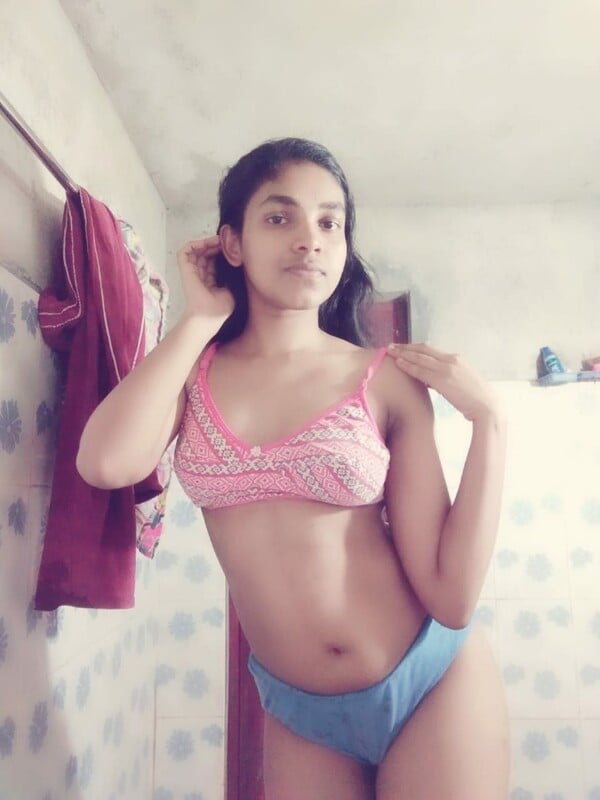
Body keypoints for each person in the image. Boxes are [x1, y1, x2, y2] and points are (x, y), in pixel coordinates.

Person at [77, 138, 510, 799]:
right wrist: (200, 319)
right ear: (232, 242)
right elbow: (106, 462)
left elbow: (451, 598)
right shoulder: (193, 376)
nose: (310, 239)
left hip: (430, 682)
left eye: (330, 222)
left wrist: (491, 424)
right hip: (300, 711)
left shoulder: (386, 379)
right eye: (280, 217)